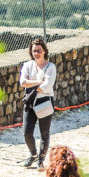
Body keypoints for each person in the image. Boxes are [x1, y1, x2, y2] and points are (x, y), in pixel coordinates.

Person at [19, 37, 57, 168]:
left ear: (44, 51)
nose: (37, 53)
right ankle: (33, 154)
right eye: (34, 51)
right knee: (26, 133)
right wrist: (38, 82)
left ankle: (41, 160)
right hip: (30, 101)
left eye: (39, 50)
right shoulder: (28, 65)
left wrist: (32, 85)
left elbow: (47, 87)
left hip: (44, 100)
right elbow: (22, 82)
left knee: (44, 133)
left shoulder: (50, 67)